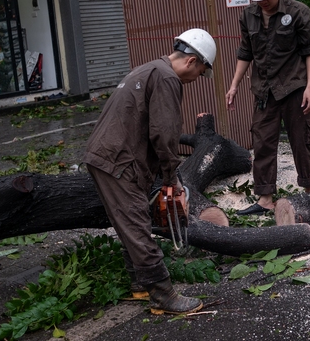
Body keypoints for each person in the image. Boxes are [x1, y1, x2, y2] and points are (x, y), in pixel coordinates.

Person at [83, 28, 216, 314]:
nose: (196, 80)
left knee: (132, 221)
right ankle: (162, 294)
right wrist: (171, 179)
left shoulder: (150, 67)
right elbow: (165, 133)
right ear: (192, 61)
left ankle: (139, 284)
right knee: (136, 225)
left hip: (110, 155)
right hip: (119, 160)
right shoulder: (168, 78)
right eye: (201, 71)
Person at [226, 0, 310, 215]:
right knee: (263, 142)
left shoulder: (298, 12)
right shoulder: (248, 16)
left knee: (301, 140)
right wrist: (234, 85)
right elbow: (246, 53)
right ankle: (265, 198)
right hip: (264, 90)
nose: (263, 2)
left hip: (293, 87)